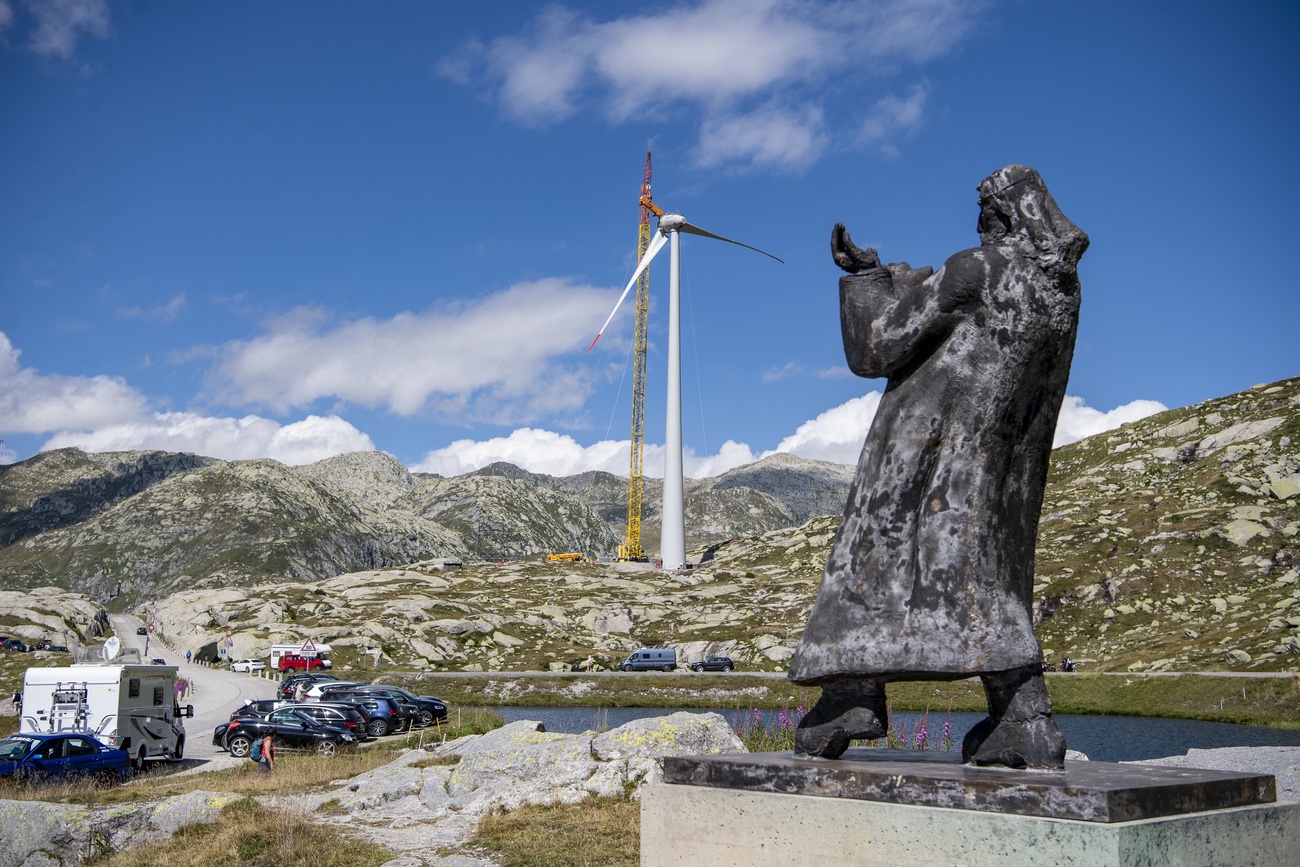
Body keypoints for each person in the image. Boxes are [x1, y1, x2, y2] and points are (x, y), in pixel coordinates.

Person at [789, 165, 1088, 770]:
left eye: (984, 214)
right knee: (987, 573)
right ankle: (1023, 717)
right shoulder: (1059, 288)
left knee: (872, 558)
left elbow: (876, 348)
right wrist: (908, 280)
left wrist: (869, 277)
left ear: (998, 217)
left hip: (923, 456)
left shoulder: (976, 269)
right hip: (999, 465)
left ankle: (851, 696)